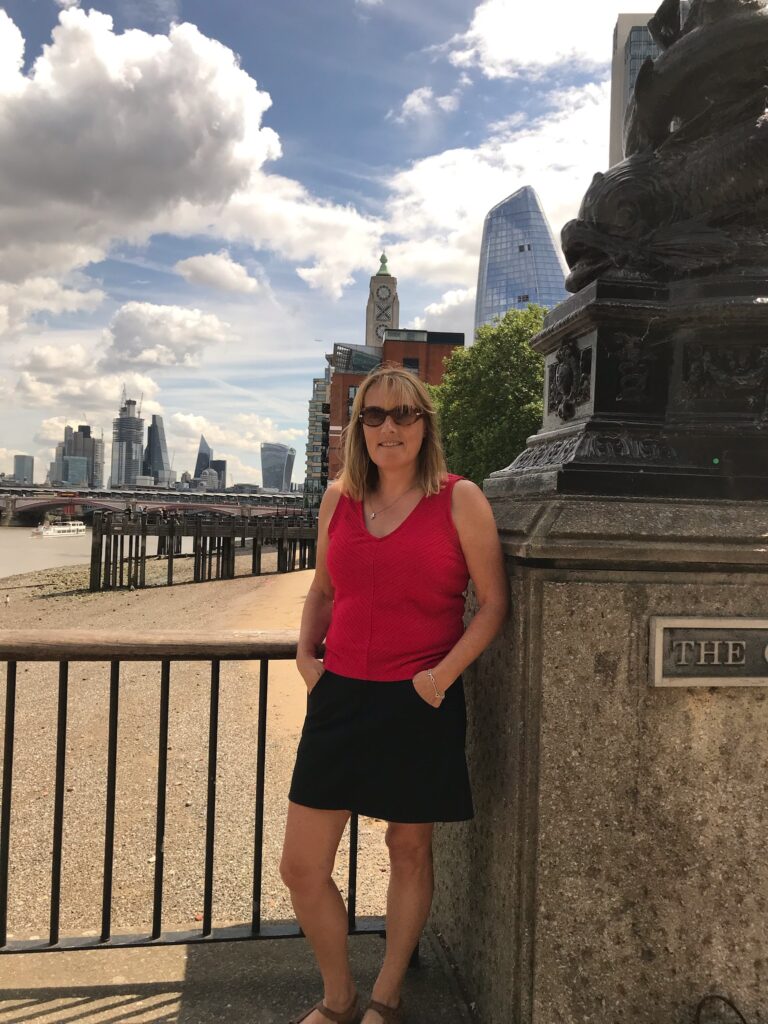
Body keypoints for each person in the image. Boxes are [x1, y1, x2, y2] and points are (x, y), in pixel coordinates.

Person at [280, 364, 509, 1024]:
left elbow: (492, 605)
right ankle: (337, 995)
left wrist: (440, 679)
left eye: (404, 414)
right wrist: (304, 654)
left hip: (420, 698)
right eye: (374, 416)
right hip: (340, 695)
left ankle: (385, 995)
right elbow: (324, 590)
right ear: (359, 430)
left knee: (407, 851)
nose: (389, 427)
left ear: (424, 426)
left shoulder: (459, 500)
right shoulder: (337, 500)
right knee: (301, 866)